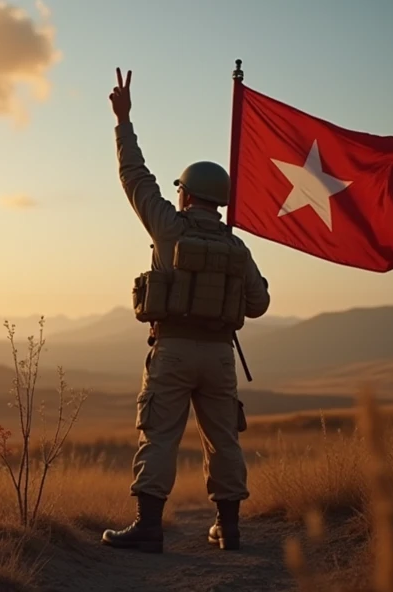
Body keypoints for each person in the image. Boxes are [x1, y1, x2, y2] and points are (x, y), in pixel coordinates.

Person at [100, 68, 271, 553]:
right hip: (219, 358)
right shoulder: (236, 247)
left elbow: (134, 176)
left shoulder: (169, 230)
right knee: (224, 441)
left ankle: (149, 529)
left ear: (188, 194)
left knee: (159, 436)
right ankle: (229, 529)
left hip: (173, 351)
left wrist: (124, 121)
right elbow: (258, 304)